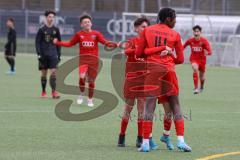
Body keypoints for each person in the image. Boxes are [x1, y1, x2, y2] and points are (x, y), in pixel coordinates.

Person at [135, 8, 192, 152]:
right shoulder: (175, 34)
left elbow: (139, 53)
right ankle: (181, 140)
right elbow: (180, 59)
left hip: (153, 70)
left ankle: (146, 143)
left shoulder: (147, 31)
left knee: (149, 105)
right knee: (175, 105)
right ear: (168, 19)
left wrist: (152, 52)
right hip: (169, 71)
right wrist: (169, 54)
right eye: (174, 18)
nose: (175, 21)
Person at [54, 15, 115, 107]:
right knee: (82, 77)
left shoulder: (96, 34)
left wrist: (115, 44)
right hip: (83, 61)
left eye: (88, 22)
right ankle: (81, 93)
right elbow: (70, 43)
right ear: (81, 25)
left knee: (91, 81)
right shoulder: (79, 34)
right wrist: (58, 43)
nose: (87, 23)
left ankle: (90, 100)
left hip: (94, 62)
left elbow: (105, 42)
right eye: (85, 22)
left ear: (91, 23)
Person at [117, 17, 158, 149]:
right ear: (136, 28)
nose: (144, 29)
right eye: (142, 26)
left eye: (146, 27)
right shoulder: (132, 41)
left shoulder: (150, 43)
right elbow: (127, 51)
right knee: (128, 109)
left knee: (142, 110)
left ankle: (140, 138)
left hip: (144, 79)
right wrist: (139, 49)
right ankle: (121, 136)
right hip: (131, 79)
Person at [35, 10, 61, 99]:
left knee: (53, 73)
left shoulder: (56, 30)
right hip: (43, 55)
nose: (51, 18)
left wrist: (59, 54)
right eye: (50, 17)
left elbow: (59, 42)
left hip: (53, 54)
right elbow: (37, 43)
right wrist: (39, 54)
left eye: (53, 17)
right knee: (44, 74)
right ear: (46, 18)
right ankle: (43, 91)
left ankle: (54, 92)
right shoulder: (41, 29)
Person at [184, 25, 212, 94]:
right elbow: (182, 47)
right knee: (195, 68)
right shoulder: (190, 41)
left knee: (202, 77)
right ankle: (196, 88)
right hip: (194, 59)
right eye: (195, 31)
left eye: (197, 31)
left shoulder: (204, 41)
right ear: (193, 32)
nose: (196, 33)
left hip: (202, 60)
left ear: (200, 32)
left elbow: (210, 52)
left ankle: (201, 86)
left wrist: (207, 53)